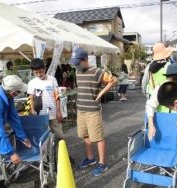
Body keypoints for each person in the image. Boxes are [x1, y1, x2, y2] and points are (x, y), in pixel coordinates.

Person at [70, 48, 117, 176]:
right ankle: (90, 158)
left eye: (77, 62)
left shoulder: (97, 72)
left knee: (98, 137)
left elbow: (113, 80)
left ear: (85, 60)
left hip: (92, 111)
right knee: (85, 135)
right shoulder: (78, 71)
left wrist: (101, 93)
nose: (76, 65)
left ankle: (102, 163)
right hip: (81, 110)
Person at [146, 63, 177, 141]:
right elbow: (150, 105)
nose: (175, 82)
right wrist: (151, 125)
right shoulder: (161, 87)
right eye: (172, 79)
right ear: (168, 78)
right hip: (162, 120)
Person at [27, 58, 63, 140]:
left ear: (45, 69)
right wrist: (32, 110)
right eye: (36, 73)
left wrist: (58, 111)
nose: (39, 74)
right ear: (32, 72)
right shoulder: (31, 83)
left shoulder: (52, 80)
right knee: (44, 137)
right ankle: (47, 152)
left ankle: (61, 151)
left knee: (59, 135)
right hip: (40, 115)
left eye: (41, 72)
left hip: (53, 114)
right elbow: (31, 98)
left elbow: (57, 96)